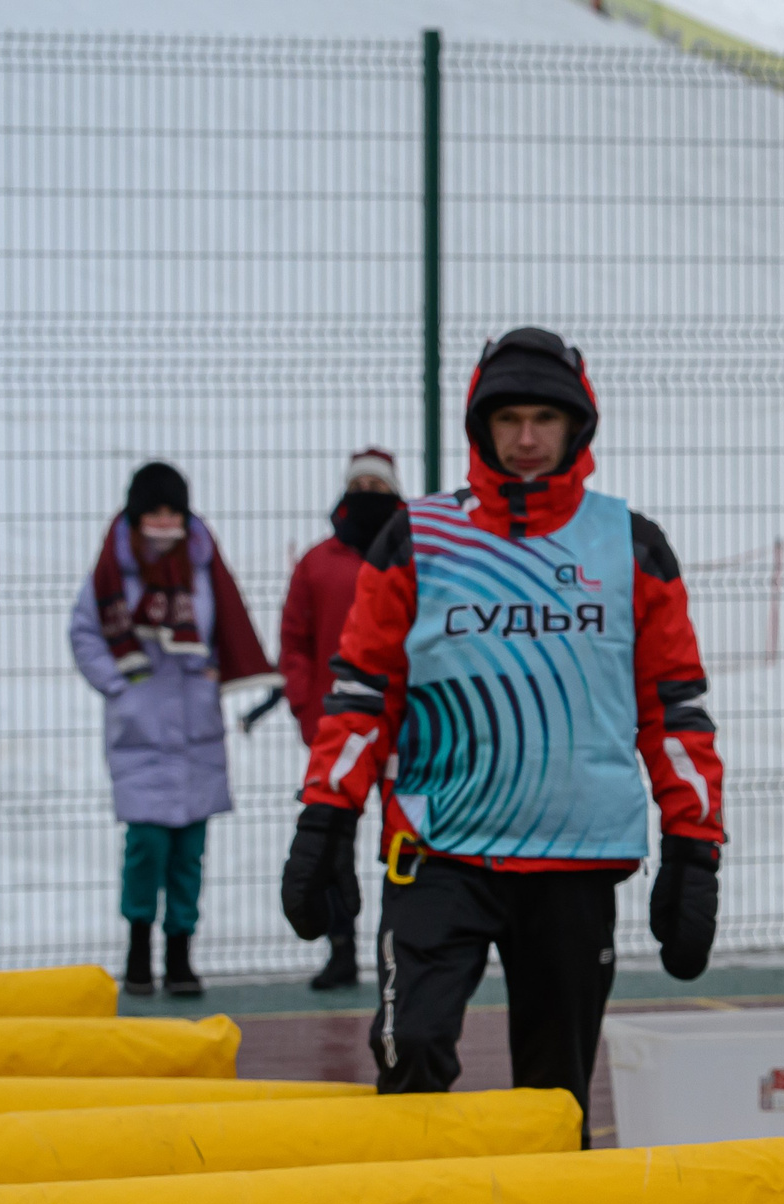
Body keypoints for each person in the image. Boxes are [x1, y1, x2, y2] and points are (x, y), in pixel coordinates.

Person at [278, 328, 725, 1128]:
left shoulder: (631, 544)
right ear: (479, 425)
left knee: (553, 1103)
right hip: (438, 850)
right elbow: (361, 696)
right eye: (508, 417)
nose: (525, 438)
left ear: (576, 426)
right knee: (408, 1052)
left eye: (545, 419)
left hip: (574, 859)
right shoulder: (416, 537)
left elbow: (675, 710)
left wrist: (694, 849)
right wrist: (325, 821)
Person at [69, 461, 278, 998]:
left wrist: (214, 675)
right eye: (153, 511)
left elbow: (224, 629)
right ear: (136, 517)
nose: (163, 522)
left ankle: (181, 953)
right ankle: (139, 948)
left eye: (172, 511)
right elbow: (85, 634)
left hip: (197, 731)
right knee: (146, 846)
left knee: (189, 852)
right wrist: (120, 687)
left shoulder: (204, 566)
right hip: (140, 731)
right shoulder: (111, 574)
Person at [279, 447, 406, 990]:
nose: (370, 494)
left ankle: (398, 946)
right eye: (363, 485)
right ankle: (341, 948)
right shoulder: (317, 562)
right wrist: (311, 708)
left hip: (403, 728)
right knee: (333, 842)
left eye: (381, 486)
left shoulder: (413, 554)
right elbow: (295, 642)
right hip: (339, 725)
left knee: (403, 838)